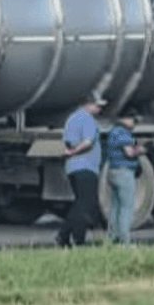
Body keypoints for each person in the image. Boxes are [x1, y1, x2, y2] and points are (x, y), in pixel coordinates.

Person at [59, 92, 106, 247]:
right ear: (87, 104)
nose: (99, 109)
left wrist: (71, 152)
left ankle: (70, 237)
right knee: (85, 204)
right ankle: (71, 237)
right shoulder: (87, 119)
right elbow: (87, 142)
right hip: (86, 167)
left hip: (72, 168)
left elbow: (68, 142)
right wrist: (75, 151)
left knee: (81, 202)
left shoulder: (72, 119)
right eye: (97, 105)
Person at [105, 111, 143, 245]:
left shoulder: (113, 132)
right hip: (124, 172)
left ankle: (112, 237)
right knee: (127, 207)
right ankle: (124, 240)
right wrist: (143, 150)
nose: (135, 124)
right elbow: (130, 152)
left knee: (115, 207)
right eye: (134, 120)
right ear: (126, 119)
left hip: (113, 171)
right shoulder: (122, 133)